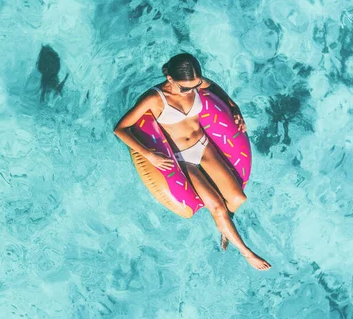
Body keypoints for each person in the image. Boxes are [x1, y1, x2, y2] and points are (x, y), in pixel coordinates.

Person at [113, 53, 271, 271]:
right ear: (170, 79)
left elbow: (214, 88)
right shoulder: (154, 99)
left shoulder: (197, 83)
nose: (193, 90)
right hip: (182, 159)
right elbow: (120, 129)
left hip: (204, 146)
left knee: (237, 198)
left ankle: (225, 228)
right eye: (186, 88)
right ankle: (247, 253)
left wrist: (234, 108)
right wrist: (149, 154)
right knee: (217, 207)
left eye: (196, 85)